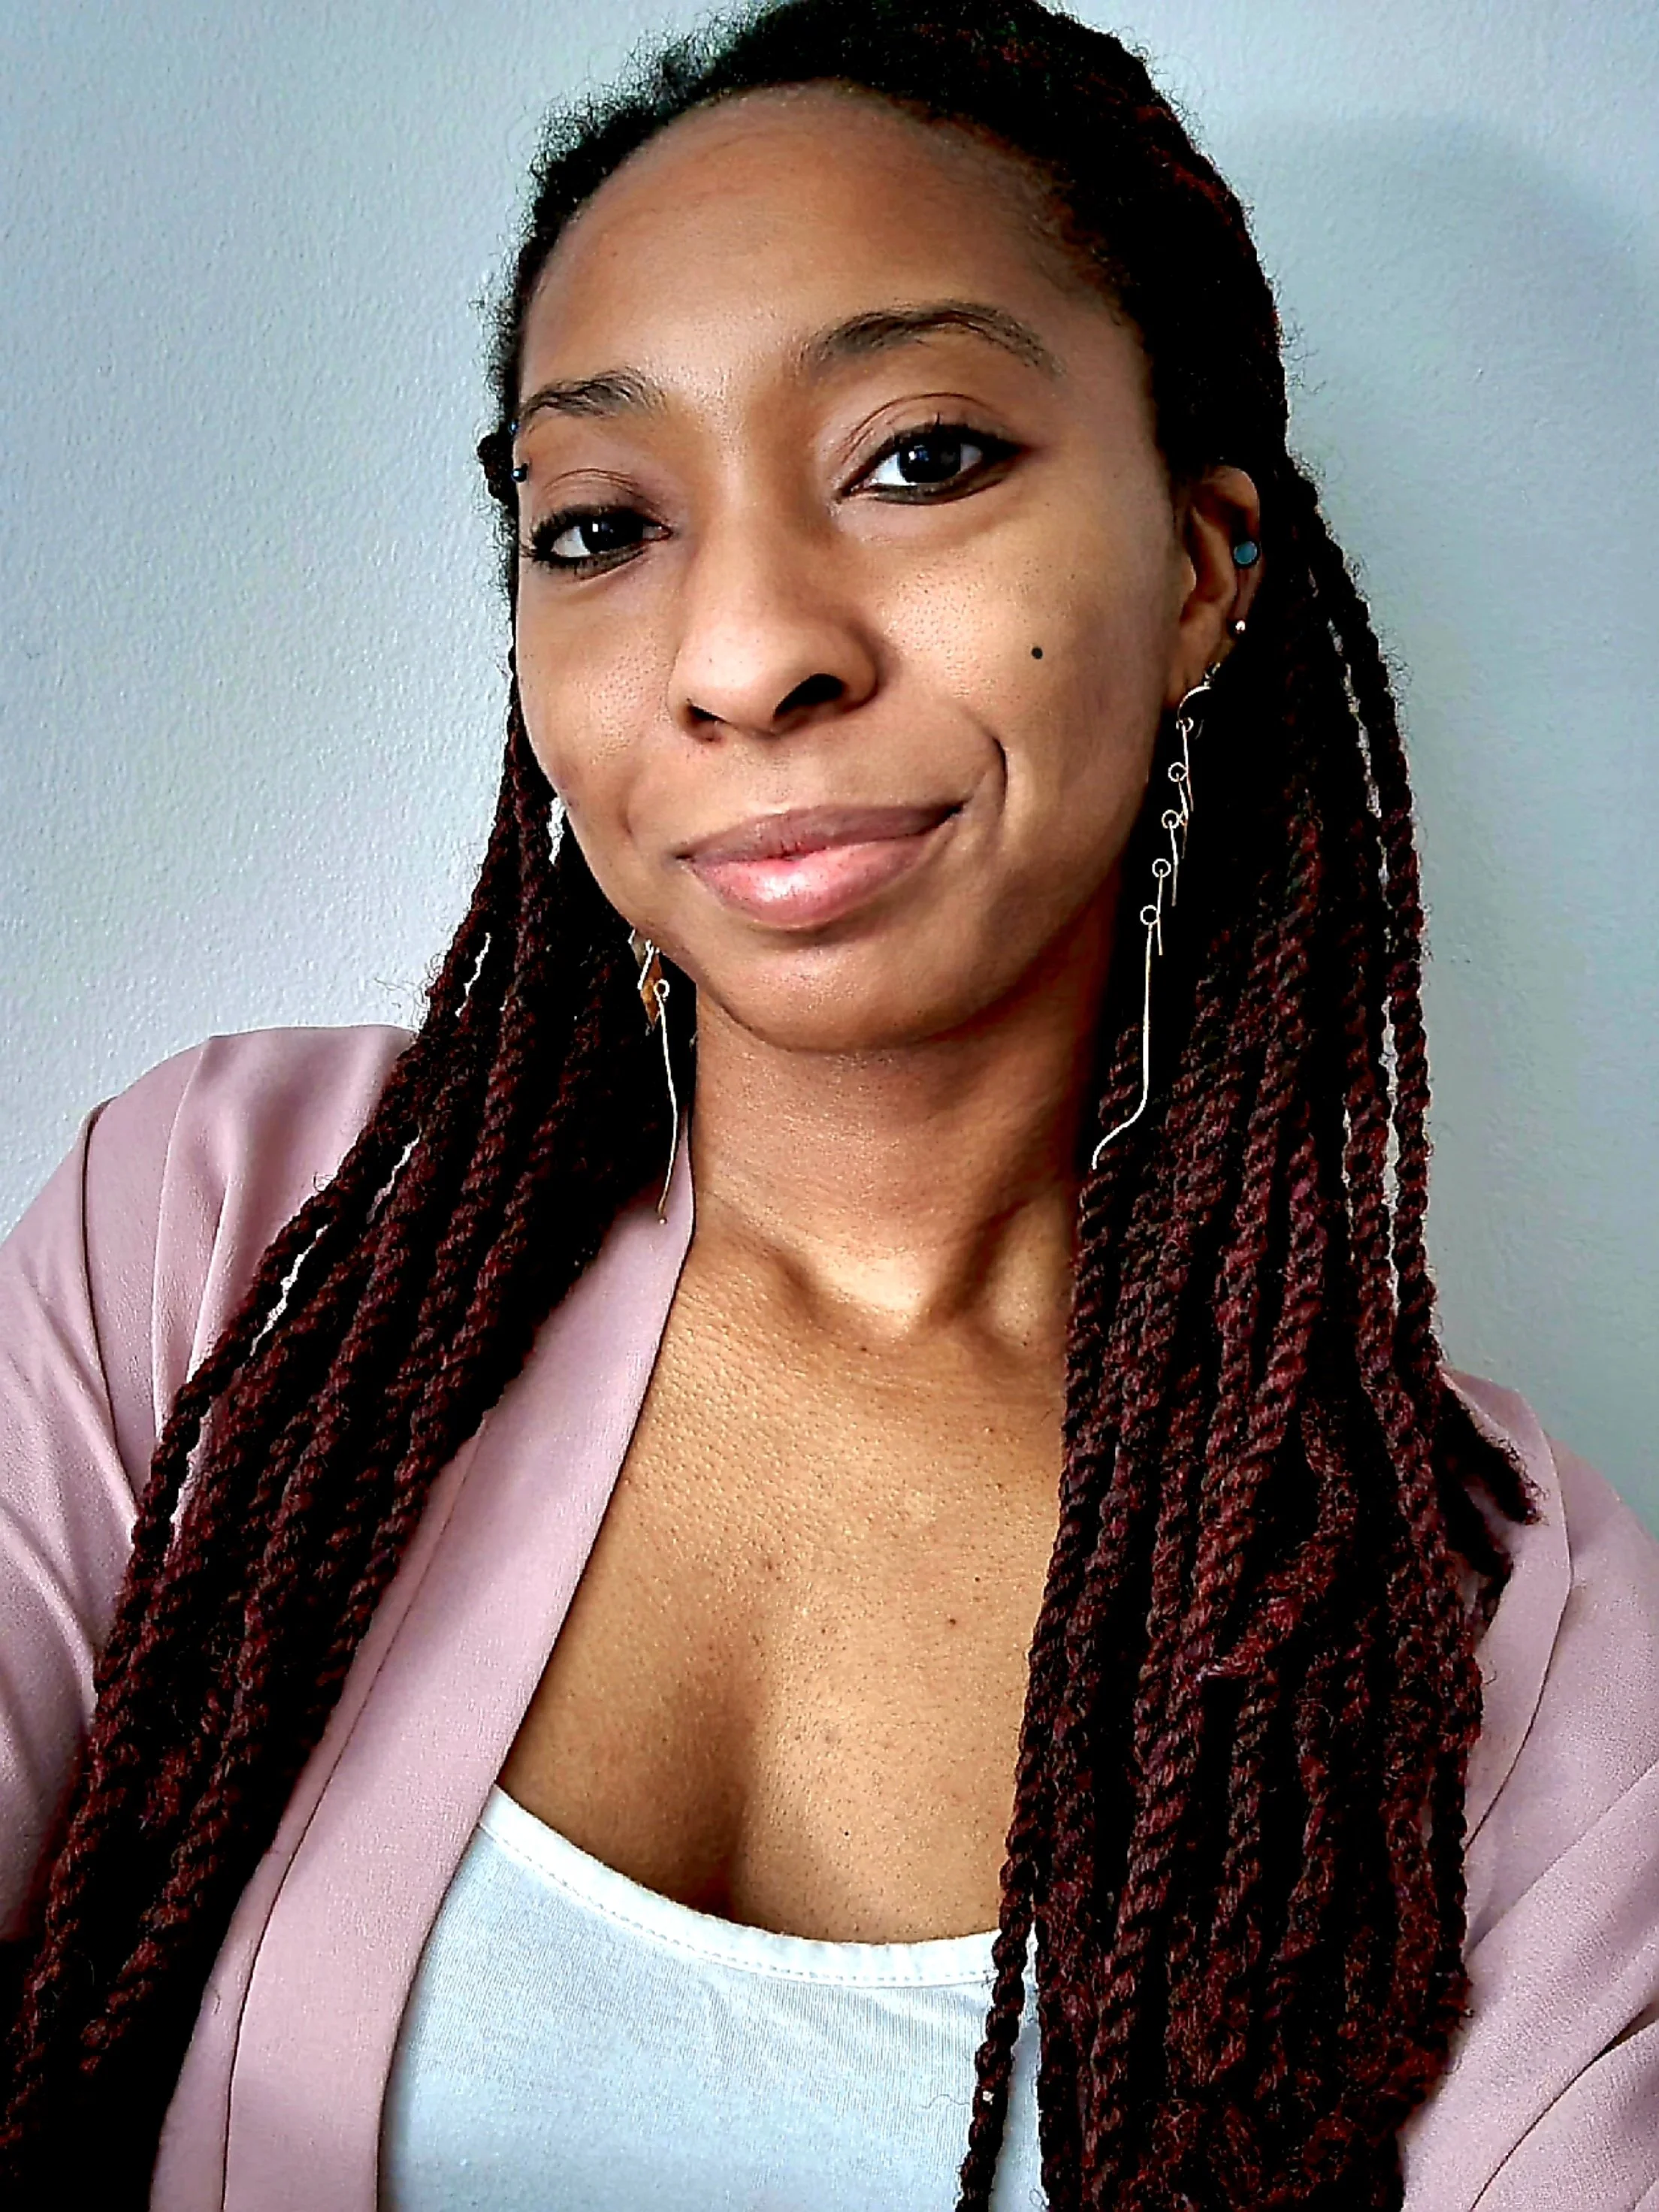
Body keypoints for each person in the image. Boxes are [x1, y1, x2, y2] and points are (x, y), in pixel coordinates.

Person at [2, 0, 1657, 2204]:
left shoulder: (1479, 1605)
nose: (745, 649)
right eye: (600, 523)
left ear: (1195, 570)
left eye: (920, 457)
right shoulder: (233, 1238)